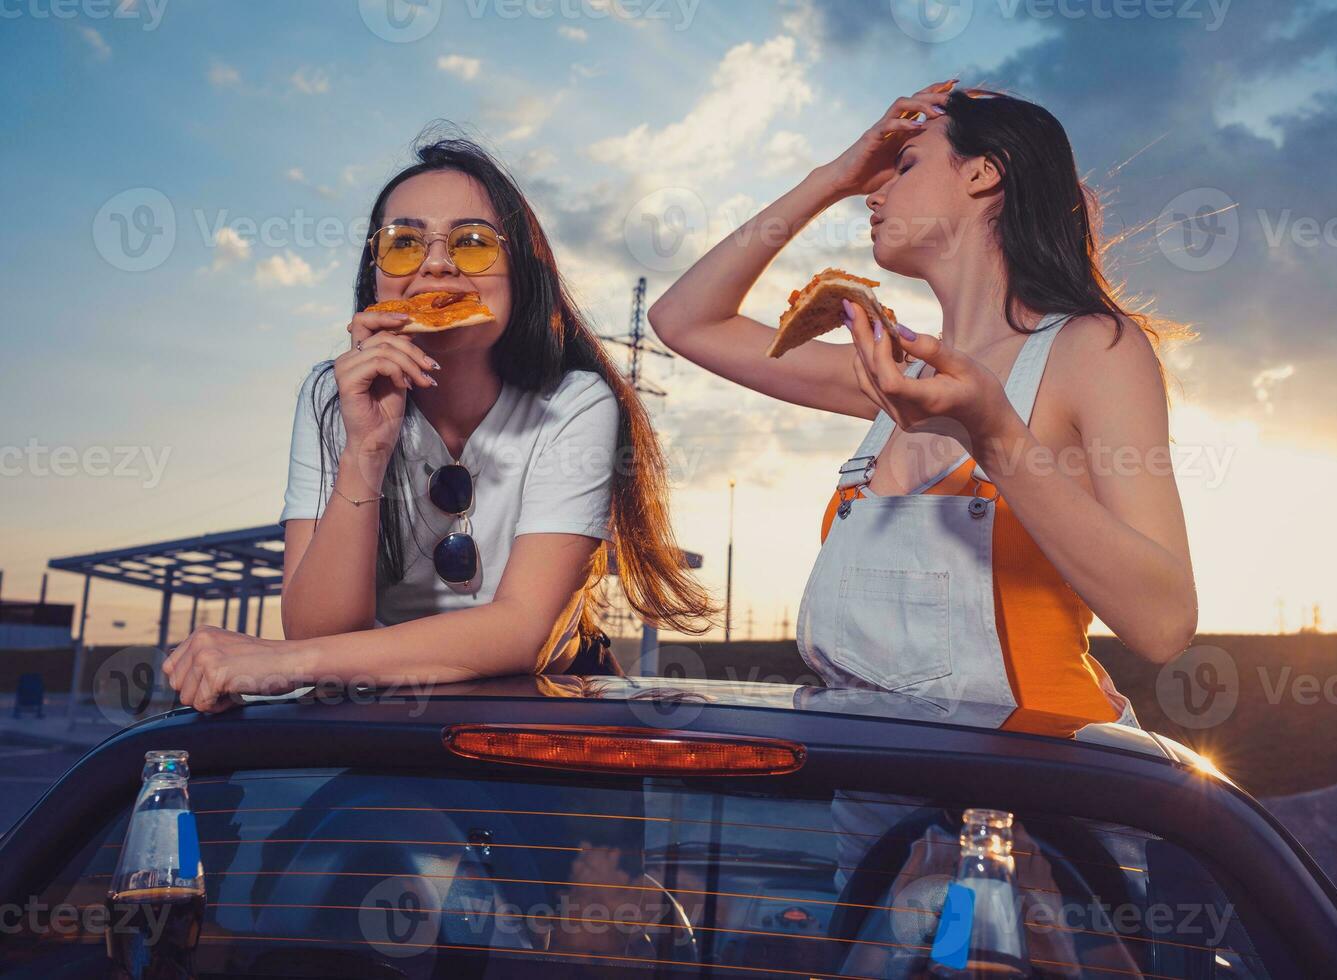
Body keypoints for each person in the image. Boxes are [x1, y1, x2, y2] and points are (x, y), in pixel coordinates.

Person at [648, 81, 1198, 731]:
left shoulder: (1092, 349)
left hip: (1037, 802)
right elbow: (684, 320)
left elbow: (1164, 624)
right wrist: (834, 176)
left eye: (906, 166)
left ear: (984, 173)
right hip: (877, 799)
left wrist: (991, 431)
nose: (873, 195)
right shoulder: (897, 373)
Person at [163, 131, 718, 712]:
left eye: (472, 243)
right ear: (375, 275)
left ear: (523, 272)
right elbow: (316, 628)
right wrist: (366, 451)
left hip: (550, 704)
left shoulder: (578, 402)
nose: (435, 265)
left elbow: (524, 630)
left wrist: (282, 663)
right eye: (403, 244)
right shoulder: (331, 393)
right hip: (386, 707)